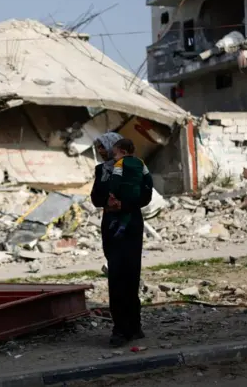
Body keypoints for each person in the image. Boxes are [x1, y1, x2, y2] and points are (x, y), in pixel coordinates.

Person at [90, 133, 153, 347]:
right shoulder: (101, 170)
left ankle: (134, 327)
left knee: (131, 274)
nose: (100, 151)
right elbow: (95, 197)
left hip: (131, 225)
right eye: (98, 147)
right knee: (116, 275)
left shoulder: (135, 166)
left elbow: (146, 195)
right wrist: (107, 202)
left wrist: (124, 205)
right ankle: (120, 329)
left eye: (102, 147)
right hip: (111, 225)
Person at [107, 138, 145, 240]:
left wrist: (112, 191)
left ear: (123, 152)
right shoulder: (139, 162)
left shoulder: (120, 163)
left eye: (115, 155)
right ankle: (123, 226)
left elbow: (115, 179)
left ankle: (116, 224)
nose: (114, 158)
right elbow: (147, 178)